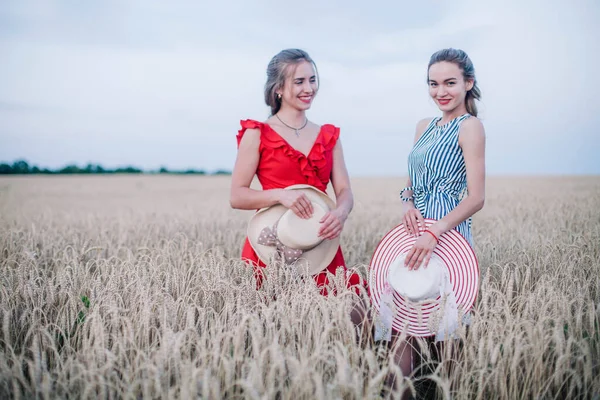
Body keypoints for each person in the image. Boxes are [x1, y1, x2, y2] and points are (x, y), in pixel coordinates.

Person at [229, 48, 366, 302]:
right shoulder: (257, 133)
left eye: (312, 80)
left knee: (351, 313)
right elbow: (237, 196)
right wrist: (281, 196)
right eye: (299, 81)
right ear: (278, 88)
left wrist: (341, 213)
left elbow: (344, 191)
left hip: (319, 243)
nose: (309, 88)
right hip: (270, 246)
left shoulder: (329, 136)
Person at [389, 48, 486, 396]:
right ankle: (398, 392)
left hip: (448, 232)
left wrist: (435, 231)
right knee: (403, 315)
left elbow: (476, 197)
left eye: (449, 82)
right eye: (433, 83)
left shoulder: (471, 127)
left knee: (448, 323)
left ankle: (449, 391)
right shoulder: (423, 126)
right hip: (414, 231)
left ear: (468, 83)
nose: (440, 91)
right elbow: (413, 180)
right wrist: (408, 203)